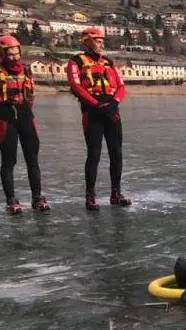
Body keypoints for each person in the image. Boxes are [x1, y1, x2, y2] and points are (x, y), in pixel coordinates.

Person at [65, 26, 131, 211]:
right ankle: (90, 196)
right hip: (92, 113)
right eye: (98, 41)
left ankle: (116, 193)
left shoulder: (109, 63)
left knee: (116, 153)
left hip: (112, 111)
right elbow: (76, 87)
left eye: (103, 41)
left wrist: (114, 102)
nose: (102, 44)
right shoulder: (75, 62)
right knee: (94, 154)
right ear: (87, 42)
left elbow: (121, 86)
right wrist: (95, 104)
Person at [0, 35, 49, 214]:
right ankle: (11, 200)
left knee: (32, 159)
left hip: (26, 115)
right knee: (9, 161)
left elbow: (31, 94)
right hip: (6, 117)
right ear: (1, 54)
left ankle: (37, 197)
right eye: (9, 54)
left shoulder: (26, 69)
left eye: (16, 53)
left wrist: (25, 110)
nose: (14, 57)